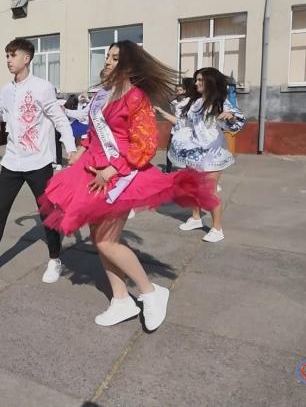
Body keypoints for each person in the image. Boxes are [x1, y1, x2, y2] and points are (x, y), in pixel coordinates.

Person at [39, 41, 218, 331]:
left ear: (130, 66)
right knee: (99, 239)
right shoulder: (102, 96)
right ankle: (121, 300)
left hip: (122, 173)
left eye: (115, 58)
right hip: (92, 170)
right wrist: (80, 153)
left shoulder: (136, 98)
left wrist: (112, 169)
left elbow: (146, 144)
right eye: (107, 57)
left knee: (106, 241)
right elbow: (92, 135)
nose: (108, 62)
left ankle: (151, 292)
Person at [0, 38, 78, 284]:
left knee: (47, 213)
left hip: (39, 163)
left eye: (12, 55)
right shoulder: (7, 89)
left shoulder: (42, 87)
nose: (8, 60)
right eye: (7, 56)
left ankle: (55, 259)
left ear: (26, 58)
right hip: (12, 162)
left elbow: (60, 120)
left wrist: (71, 149)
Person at [158, 67, 245, 243]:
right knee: (193, 187)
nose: (196, 83)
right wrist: (163, 113)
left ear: (210, 82)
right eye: (196, 80)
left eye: (200, 80)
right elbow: (182, 124)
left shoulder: (220, 102)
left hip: (213, 153)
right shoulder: (194, 103)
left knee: (209, 191)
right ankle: (196, 218)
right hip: (194, 152)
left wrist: (230, 117)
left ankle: (217, 228)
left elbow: (236, 124)